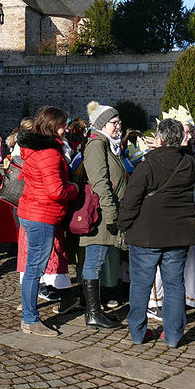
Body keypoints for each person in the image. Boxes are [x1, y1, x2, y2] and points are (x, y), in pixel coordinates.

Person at [116, 118, 195, 347]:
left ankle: (138, 332)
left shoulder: (147, 166)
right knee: (174, 285)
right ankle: (173, 335)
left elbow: (130, 201)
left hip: (146, 235)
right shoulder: (189, 164)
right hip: (178, 235)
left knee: (141, 285)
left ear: (159, 139)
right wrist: (189, 142)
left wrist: (121, 224)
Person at [17, 106, 79, 337]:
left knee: (32, 267)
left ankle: (29, 315)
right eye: (62, 124)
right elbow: (56, 191)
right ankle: (30, 319)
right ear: (52, 126)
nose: (65, 128)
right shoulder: (49, 153)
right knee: (35, 268)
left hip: (33, 209)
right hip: (42, 214)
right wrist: (74, 188)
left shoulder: (34, 147)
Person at [79, 102, 124, 329]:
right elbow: (100, 183)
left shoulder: (108, 144)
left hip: (106, 211)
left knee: (96, 262)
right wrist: (111, 215)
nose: (119, 126)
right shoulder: (97, 145)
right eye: (114, 123)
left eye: (119, 122)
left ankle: (95, 312)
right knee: (94, 262)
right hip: (100, 215)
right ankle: (93, 314)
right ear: (101, 124)